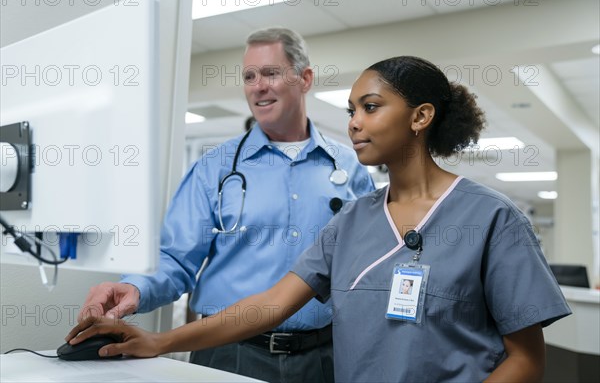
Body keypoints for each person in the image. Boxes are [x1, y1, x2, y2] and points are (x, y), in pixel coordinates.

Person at [67, 56, 571, 382]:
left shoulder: (492, 219)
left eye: (371, 107)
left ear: (420, 117)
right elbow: (268, 305)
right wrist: (161, 341)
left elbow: (526, 359)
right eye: (352, 109)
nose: (353, 122)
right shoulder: (350, 222)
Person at [76, 27, 374, 383]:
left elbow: (367, 264)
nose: (258, 86)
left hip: (322, 358)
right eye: (249, 76)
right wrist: (135, 289)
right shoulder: (213, 168)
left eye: (271, 73)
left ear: (305, 78)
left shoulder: (349, 167)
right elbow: (175, 259)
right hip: (228, 354)